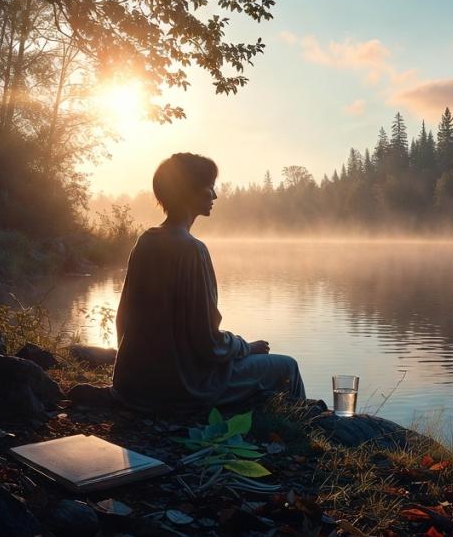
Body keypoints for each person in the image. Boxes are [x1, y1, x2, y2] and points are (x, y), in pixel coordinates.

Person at [111, 153, 306, 412]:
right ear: (189, 192)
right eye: (209, 187)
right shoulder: (192, 251)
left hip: (133, 386)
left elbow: (122, 319)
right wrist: (247, 347)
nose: (215, 195)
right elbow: (208, 343)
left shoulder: (145, 241)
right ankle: (304, 430)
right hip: (183, 389)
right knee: (287, 366)